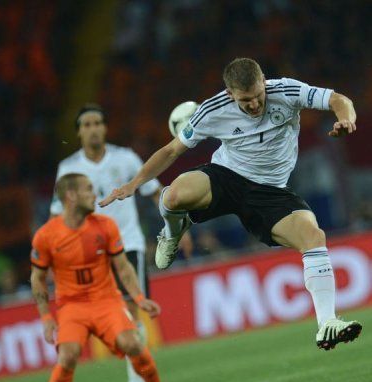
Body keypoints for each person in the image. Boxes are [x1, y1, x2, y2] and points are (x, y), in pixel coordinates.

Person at [99, 57, 362, 351]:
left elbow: (338, 99)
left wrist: (346, 118)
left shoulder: (287, 92)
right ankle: (172, 233)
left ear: (264, 82)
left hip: (270, 193)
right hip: (227, 177)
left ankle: (326, 323)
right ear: (229, 94)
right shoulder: (212, 110)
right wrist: (134, 184)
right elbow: (171, 150)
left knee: (314, 237)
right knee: (173, 196)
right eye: (245, 100)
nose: (253, 105)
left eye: (258, 96)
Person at [50, 104, 192, 382]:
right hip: (89, 253)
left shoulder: (126, 158)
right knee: (107, 312)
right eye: (86, 124)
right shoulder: (68, 169)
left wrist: (177, 226)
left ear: (105, 128)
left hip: (128, 243)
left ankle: (136, 381)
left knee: (134, 308)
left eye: (98, 123)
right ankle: (136, 376)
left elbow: (154, 191)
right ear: (79, 132)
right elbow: (57, 215)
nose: (93, 128)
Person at [31, 173, 187, 382]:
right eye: (88, 189)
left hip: (106, 300)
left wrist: (139, 298)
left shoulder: (105, 226)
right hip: (72, 306)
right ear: (71, 196)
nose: (95, 194)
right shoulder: (46, 236)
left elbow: (123, 268)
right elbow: (38, 278)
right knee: (68, 355)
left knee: (132, 343)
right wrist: (46, 317)